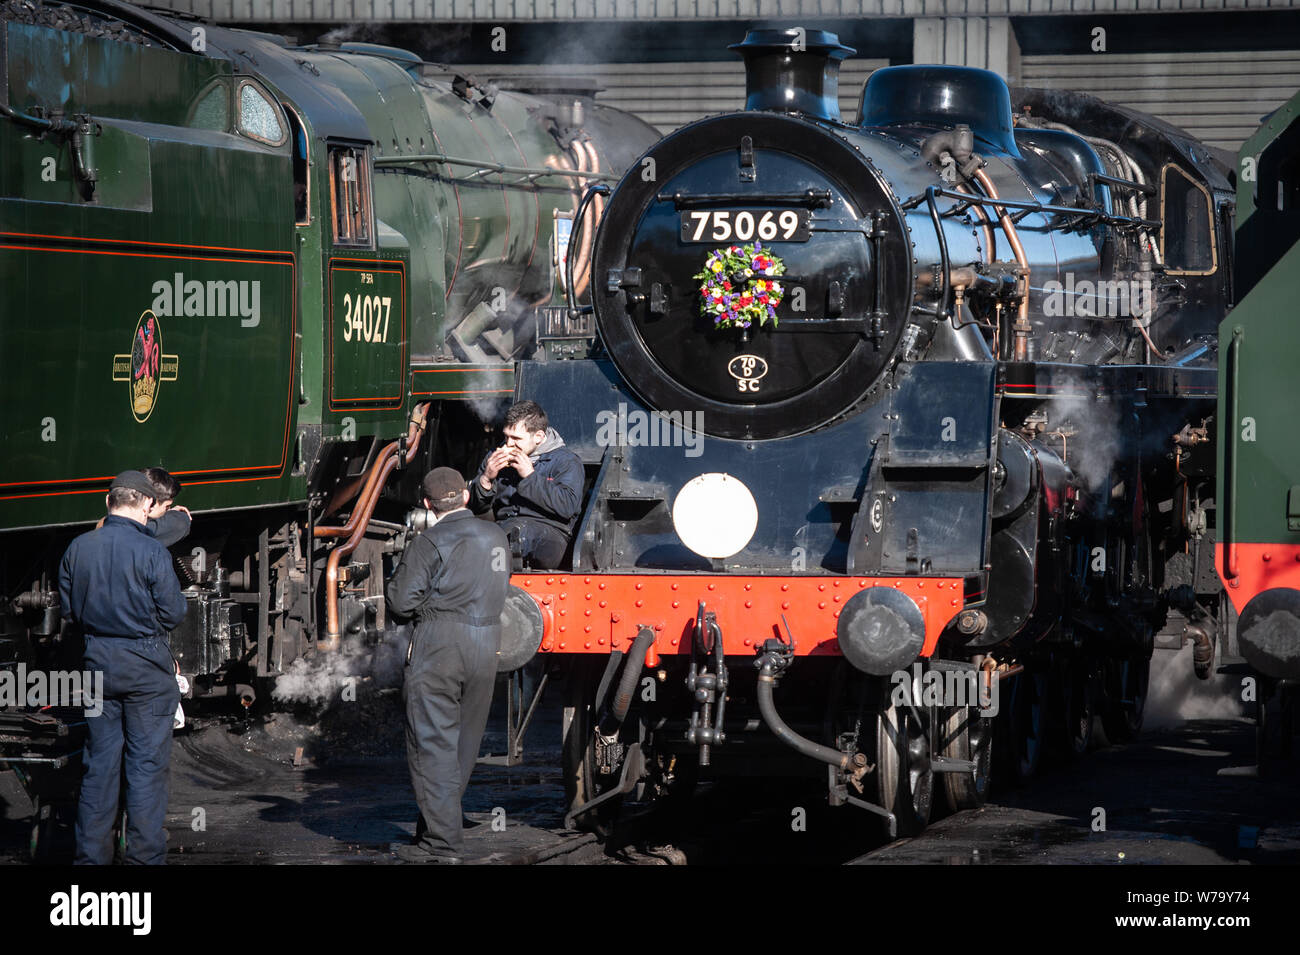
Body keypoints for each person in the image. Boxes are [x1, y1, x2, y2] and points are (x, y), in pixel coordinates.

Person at [59, 470, 188, 865]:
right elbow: (175, 613)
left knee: (98, 768)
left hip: (97, 667)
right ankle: (143, 860)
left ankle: (89, 862)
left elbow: (70, 612)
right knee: (146, 771)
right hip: (146, 668)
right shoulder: (153, 552)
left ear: (108, 501)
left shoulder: (78, 548)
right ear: (147, 504)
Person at [386, 467, 510, 863]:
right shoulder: (496, 536)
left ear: (427, 504)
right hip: (486, 644)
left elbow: (401, 604)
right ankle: (434, 830)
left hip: (441, 645)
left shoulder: (429, 542)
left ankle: (441, 846)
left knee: (433, 744)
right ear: (466, 498)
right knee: (462, 745)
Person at [469, 400, 584, 570]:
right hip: (503, 527)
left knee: (513, 535)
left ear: (538, 436)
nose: (508, 444)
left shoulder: (566, 461)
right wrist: (486, 479)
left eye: (516, 438)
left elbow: (567, 506)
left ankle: (492, 585)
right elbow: (475, 507)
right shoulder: (495, 456)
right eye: (506, 436)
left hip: (551, 534)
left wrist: (530, 476)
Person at [142, 466, 191, 547]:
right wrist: (179, 515)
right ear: (151, 504)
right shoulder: (143, 532)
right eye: (167, 506)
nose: (168, 509)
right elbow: (181, 523)